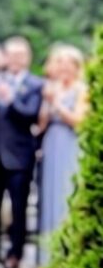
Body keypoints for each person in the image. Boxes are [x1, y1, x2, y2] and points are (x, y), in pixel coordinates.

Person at [0, 36, 43, 268]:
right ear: (5, 57)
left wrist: (10, 99)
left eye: (20, 55)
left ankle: (16, 252)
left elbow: (31, 115)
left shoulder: (35, 85)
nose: (15, 60)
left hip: (19, 156)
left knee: (18, 207)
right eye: (11, 55)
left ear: (27, 58)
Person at [38, 44, 88, 245]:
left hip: (70, 144)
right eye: (61, 65)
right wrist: (47, 101)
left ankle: (67, 247)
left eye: (69, 65)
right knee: (49, 194)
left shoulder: (82, 90)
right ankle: (48, 253)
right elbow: (42, 123)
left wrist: (57, 104)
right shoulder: (54, 88)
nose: (64, 69)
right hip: (52, 143)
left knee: (66, 192)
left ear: (77, 67)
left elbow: (79, 121)